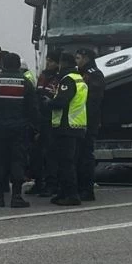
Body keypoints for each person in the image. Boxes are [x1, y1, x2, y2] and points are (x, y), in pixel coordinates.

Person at [0, 52, 39, 208]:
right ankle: (16, 197)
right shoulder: (26, 83)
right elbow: (33, 109)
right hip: (19, 130)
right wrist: (36, 128)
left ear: (3, 65)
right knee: (17, 162)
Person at [48, 51, 87, 206]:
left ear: (63, 63)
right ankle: (64, 193)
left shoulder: (68, 79)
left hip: (66, 126)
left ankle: (71, 195)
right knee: (69, 162)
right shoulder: (79, 78)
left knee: (65, 162)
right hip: (77, 125)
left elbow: (62, 102)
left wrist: (48, 103)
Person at [27, 50, 61, 197]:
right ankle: (38, 182)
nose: (48, 63)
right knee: (36, 155)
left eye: (51, 61)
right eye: (47, 60)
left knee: (50, 155)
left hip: (51, 121)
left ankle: (51, 184)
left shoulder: (59, 78)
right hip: (39, 119)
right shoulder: (43, 76)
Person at [74, 48, 104, 202]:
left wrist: (88, 122)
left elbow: (92, 101)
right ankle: (81, 187)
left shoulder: (94, 74)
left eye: (78, 58)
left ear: (86, 58)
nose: (76, 60)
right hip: (80, 121)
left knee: (86, 156)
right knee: (79, 156)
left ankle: (87, 189)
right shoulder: (81, 73)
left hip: (88, 122)